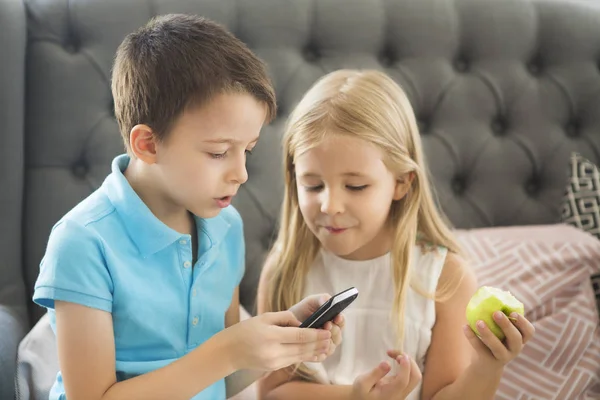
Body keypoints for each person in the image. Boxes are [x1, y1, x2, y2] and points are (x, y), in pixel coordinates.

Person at [32, 14, 343, 400]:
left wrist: (276, 344)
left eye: (247, 150)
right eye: (218, 152)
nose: (241, 173)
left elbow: (222, 380)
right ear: (147, 144)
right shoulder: (81, 243)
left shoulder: (225, 226)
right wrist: (226, 351)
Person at [257, 69, 536, 400]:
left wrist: (487, 368)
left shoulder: (444, 277)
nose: (330, 205)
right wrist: (355, 397)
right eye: (313, 184)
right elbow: (272, 392)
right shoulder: (285, 269)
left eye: (356, 186)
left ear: (402, 182)